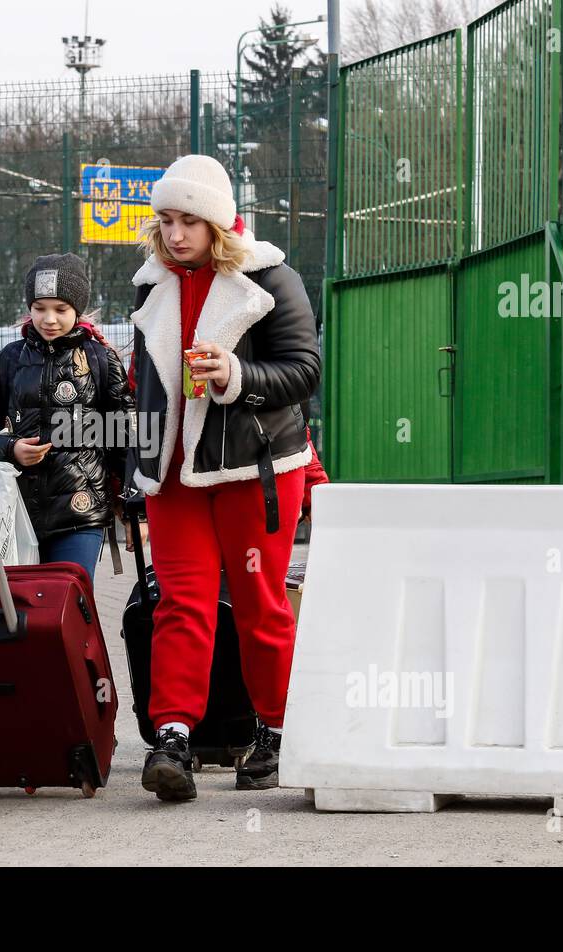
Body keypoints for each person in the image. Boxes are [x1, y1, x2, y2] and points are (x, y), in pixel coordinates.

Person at [126, 154, 321, 801]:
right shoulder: (151, 283)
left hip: (252, 469)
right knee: (178, 604)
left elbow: (304, 371)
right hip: (174, 477)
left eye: (189, 221)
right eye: (166, 221)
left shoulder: (270, 275)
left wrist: (237, 378)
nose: (175, 234)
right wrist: (136, 464)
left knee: (260, 607)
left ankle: (277, 731)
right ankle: (174, 738)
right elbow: (144, 385)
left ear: (217, 222)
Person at [0, 254, 133, 581]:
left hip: (81, 512)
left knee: (70, 604)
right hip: (18, 511)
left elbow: (126, 434)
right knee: (26, 610)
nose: (49, 319)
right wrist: (8, 448)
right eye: (40, 308)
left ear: (78, 309)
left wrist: (133, 510)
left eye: (61, 309)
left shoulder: (100, 359)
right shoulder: (8, 360)